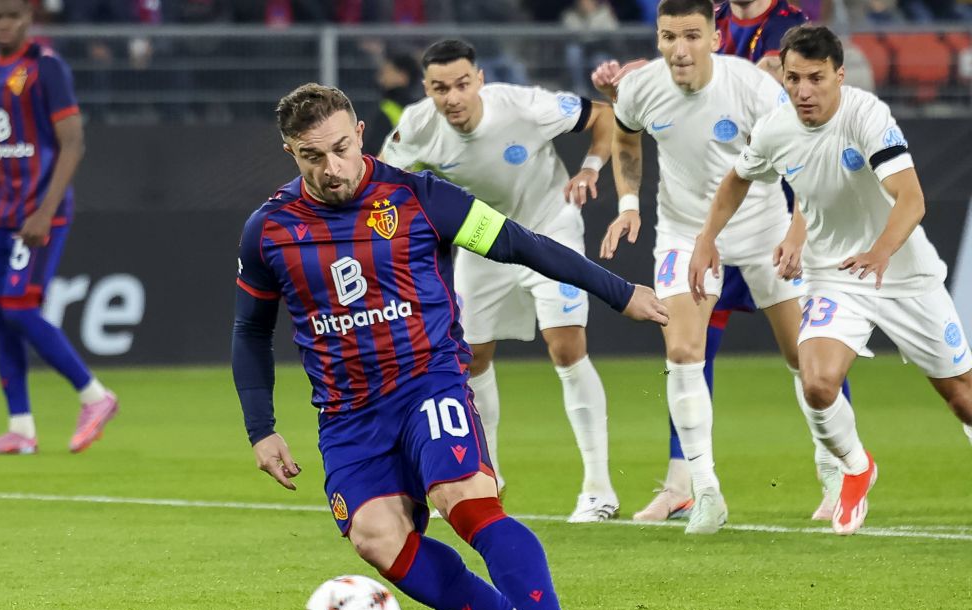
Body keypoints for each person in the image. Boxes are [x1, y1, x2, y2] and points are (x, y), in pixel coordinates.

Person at [231, 83, 667, 610]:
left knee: (467, 501)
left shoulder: (420, 198)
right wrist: (262, 428)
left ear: (360, 135)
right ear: (290, 153)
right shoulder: (270, 230)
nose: (332, 170)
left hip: (427, 384)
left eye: (339, 149)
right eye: (312, 157)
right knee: (376, 539)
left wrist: (619, 293)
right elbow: (250, 331)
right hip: (348, 414)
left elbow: (522, 243)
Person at [690, 24, 972, 534]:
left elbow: (912, 198)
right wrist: (707, 237)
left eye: (816, 78)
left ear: (839, 76)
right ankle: (856, 467)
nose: (803, 91)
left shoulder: (867, 116)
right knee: (817, 382)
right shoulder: (777, 128)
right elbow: (738, 179)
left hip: (904, 274)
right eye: (793, 78)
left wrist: (881, 251)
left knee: (962, 398)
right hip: (836, 277)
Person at [592, 0, 843, 524]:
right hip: (685, 233)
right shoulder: (639, 88)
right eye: (668, 37)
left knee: (808, 359)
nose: (679, 49)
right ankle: (701, 490)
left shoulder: (753, 87)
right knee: (683, 350)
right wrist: (629, 205)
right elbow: (625, 134)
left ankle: (837, 471)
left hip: (763, 228)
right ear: (657, 39)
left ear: (713, 37)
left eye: (690, 36)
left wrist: (799, 229)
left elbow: (806, 156)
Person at [380, 39, 621, 522]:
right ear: (426, 89)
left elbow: (603, 115)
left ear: (480, 81)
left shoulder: (524, 107)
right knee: (470, 358)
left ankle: (599, 490)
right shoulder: (417, 126)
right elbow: (383, 183)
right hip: (483, 240)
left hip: (549, 228)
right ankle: (489, 476)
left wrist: (590, 168)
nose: (453, 98)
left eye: (462, 85)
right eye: (440, 88)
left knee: (566, 346)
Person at [0, 0, 118, 456]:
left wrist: (45, 210)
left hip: (39, 213)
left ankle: (95, 396)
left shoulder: (47, 68)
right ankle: (21, 428)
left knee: (19, 308)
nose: (3, 24)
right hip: (1, 215)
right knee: (0, 314)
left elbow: (73, 143)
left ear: (28, 19)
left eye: (12, 15)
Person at [362, 48, 422, 157]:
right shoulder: (423, 109)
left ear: (402, 76)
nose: (380, 78)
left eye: (386, 72)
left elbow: (373, 150)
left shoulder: (385, 110)